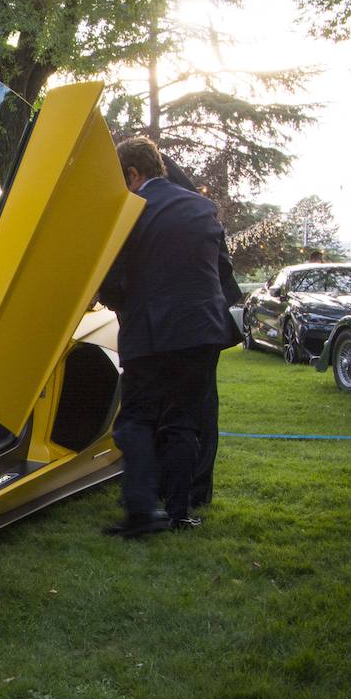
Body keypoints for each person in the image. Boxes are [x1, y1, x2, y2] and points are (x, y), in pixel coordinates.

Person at [98, 137, 240, 537]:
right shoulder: (202, 207)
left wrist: (120, 300)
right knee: (184, 422)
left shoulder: (131, 211)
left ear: (132, 174)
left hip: (150, 330)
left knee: (137, 420)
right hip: (201, 332)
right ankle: (179, 512)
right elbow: (219, 268)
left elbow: (111, 282)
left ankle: (142, 510)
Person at [157, 152, 241, 510]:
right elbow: (223, 268)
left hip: (181, 325)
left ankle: (179, 486)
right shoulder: (201, 212)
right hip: (208, 323)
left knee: (181, 408)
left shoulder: (165, 217)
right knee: (202, 406)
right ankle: (195, 486)